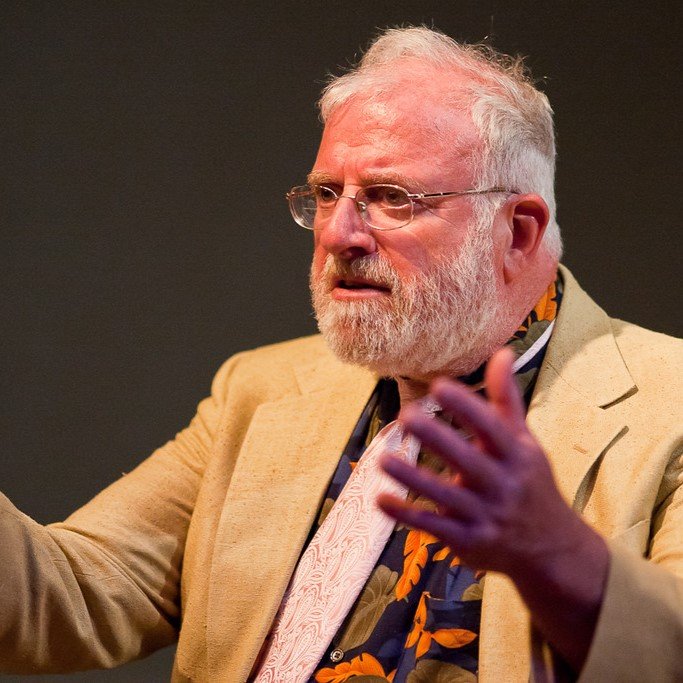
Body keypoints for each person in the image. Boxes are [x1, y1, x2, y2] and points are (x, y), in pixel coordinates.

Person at [0, 26, 681, 683]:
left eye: (390, 198)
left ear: (518, 230)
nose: (339, 233)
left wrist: (557, 555)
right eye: (327, 194)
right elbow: (70, 597)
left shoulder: (667, 405)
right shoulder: (259, 391)